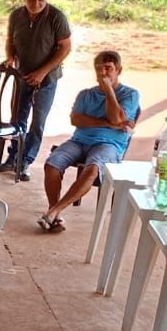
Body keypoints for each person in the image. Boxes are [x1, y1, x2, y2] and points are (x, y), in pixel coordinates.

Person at [39, 49, 140, 232]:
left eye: (108, 68)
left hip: (109, 145)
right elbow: (76, 120)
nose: (102, 73)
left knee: (93, 168)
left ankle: (54, 211)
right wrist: (107, 123)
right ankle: (54, 214)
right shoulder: (85, 94)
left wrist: (109, 89)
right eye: (98, 68)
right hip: (79, 141)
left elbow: (117, 119)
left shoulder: (130, 94)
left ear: (119, 70)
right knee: (52, 163)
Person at [0, 0, 72, 180]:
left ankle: (26, 160)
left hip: (47, 79)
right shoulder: (16, 15)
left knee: (37, 121)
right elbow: (10, 40)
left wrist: (42, 72)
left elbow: (65, 47)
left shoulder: (56, 17)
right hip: (23, 75)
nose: (36, 3)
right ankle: (13, 156)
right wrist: (10, 57)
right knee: (17, 118)